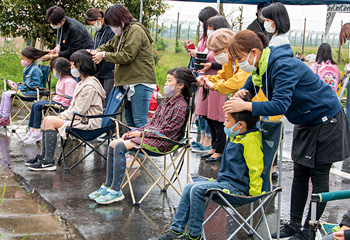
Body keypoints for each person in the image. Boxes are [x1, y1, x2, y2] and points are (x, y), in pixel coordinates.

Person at [224, 30, 350, 240]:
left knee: (318, 178)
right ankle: (293, 225)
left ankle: (310, 231)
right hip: (305, 120)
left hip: (326, 119)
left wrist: (246, 105)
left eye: (238, 58)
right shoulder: (261, 66)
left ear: (253, 52)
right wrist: (243, 93)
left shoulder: (282, 66)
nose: (239, 63)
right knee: (300, 174)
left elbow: (280, 105)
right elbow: (252, 84)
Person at [149, 96, 263, 240]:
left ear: (240, 125)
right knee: (190, 187)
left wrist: (254, 192)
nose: (224, 124)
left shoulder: (250, 140)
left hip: (238, 189)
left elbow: (256, 167)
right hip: (226, 183)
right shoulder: (237, 137)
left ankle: (194, 235)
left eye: (227, 121)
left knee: (197, 189)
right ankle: (176, 230)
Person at [88, 67, 196, 204]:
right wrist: (135, 131)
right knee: (113, 143)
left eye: (169, 81)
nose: (166, 84)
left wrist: (141, 133)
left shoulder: (181, 106)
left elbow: (168, 132)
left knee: (121, 145)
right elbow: (152, 124)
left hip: (166, 142)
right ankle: (108, 185)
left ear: (180, 85)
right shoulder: (165, 102)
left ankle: (116, 190)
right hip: (153, 136)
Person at [25, 50, 106, 171]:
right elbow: (75, 109)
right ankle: (45, 158)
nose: (71, 67)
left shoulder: (89, 86)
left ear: (80, 65)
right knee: (47, 119)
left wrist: (62, 116)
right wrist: (62, 115)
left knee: (50, 121)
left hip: (87, 122)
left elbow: (79, 110)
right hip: (80, 118)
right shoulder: (83, 83)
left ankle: (48, 162)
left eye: (73, 64)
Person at [91, 3, 156, 128]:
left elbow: (127, 56)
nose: (111, 28)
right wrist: (98, 50)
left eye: (112, 24)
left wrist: (104, 55)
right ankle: (132, 147)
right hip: (128, 81)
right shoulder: (123, 32)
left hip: (140, 81)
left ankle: (142, 147)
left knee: (139, 121)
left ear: (120, 20)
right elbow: (110, 45)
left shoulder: (135, 30)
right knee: (129, 120)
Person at [194, 15, 231, 162]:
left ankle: (220, 150)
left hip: (219, 87)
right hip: (210, 83)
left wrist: (212, 68)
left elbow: (225, 66)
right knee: (209, 117)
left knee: (218, 119)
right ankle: (214, 147)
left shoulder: (226, 47)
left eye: (211, 28)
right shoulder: (215, 44)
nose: (208, 31)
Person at [21, 57, 77, 144]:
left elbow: (70, 98)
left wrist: (59, 103)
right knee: (35, 105)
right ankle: (31, 130)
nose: (54, 71)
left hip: (62, 105)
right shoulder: (61, 80)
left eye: (54, 69)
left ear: (60, 70)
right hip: (57, 101)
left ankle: (36, 132)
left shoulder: (69, 81)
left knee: (38, 106)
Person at [189, 6, 218, 154]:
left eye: (204, 22)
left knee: (212, 112)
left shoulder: (218, 38)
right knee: (202, 110)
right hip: (203, 76)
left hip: (213, 78)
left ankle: (209, 142)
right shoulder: (204, 36)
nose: (203, 26)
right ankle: (203, 141)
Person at [0, 47, 48, 126]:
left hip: (32, 93)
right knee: (5, 93)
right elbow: (26, 83)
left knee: (7, 94)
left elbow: (36, 84)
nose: (22, 60)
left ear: (30, 60)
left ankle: (5, 118)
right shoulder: (26, 69)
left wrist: (20, 87)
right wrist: (17, 86)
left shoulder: (35, 70)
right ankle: (1, 116)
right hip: (26, 91)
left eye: (23, 58)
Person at [85, 8, 115, 108]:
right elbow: (97, 47)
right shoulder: (98, 32)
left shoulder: (111, 30)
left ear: (99, 19)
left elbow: (112, 49)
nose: (92, 27)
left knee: (107, 101)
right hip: (99, 71)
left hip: (110, 71)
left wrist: (102, 54)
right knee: (98, 100)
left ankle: (108, 122)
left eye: (92, 24)